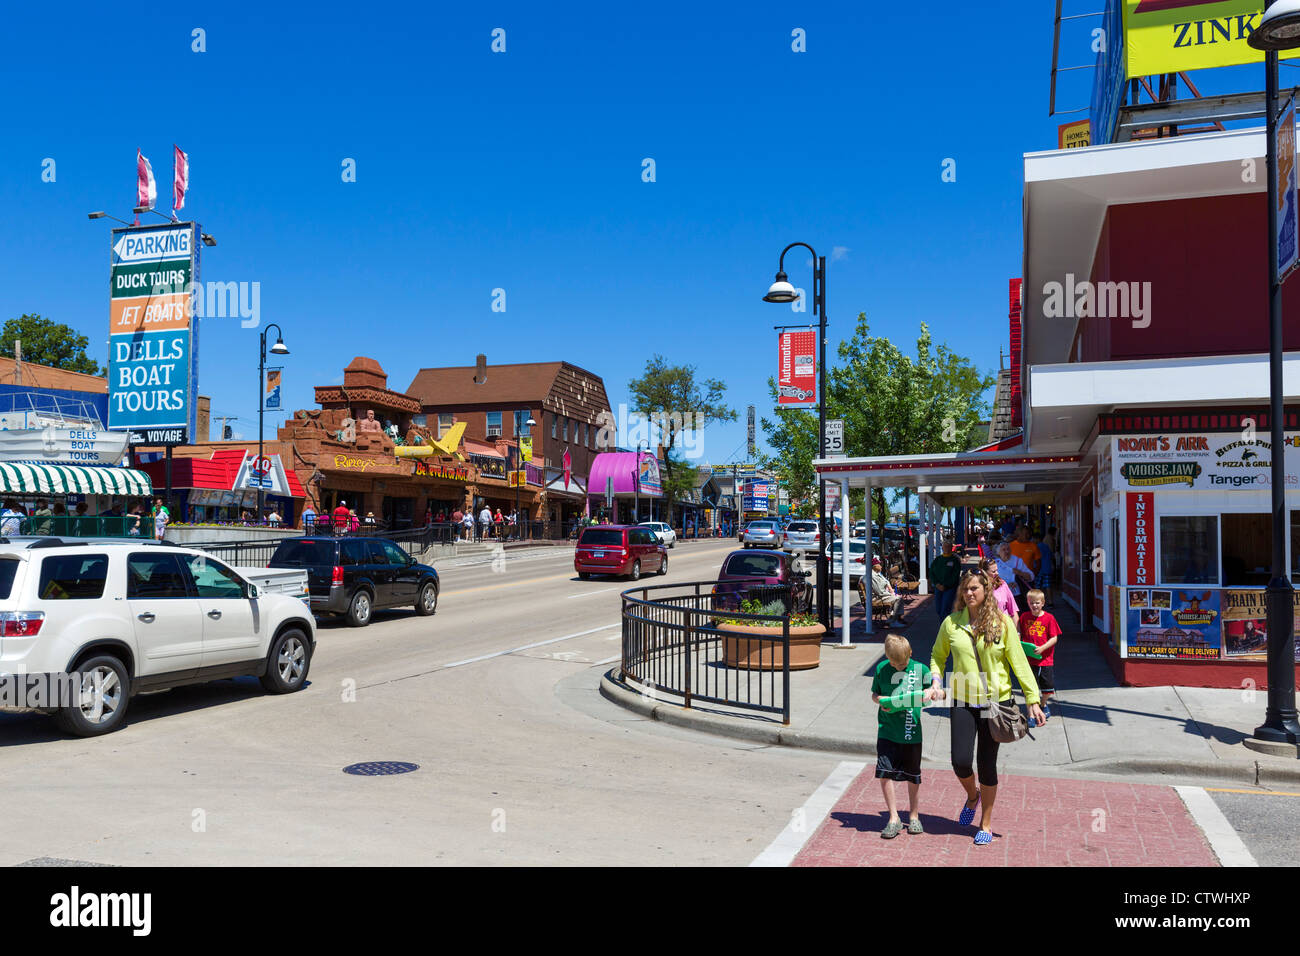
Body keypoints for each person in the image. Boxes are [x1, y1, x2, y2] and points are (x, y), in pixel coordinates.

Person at [930, 568, 1045, 846]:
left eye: (975, 589)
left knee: (986, 764)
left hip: (994, 702)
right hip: (961, 697)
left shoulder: (1002, 623)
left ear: (985, 592)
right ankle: (972, 796)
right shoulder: (951, 623)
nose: (969, 593)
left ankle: (986, 822)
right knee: (959, 761)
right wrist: (935, 680)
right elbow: (937, 655)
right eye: (965, 589)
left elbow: (1019, 664)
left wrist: (1033, 699)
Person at [871, 634, 943, 838]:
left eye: (902, 663)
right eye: (894, 663)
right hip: (887, 730)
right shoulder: (881, 669)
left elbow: (938, 691)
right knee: (884, 772)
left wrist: (932, 692)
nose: (899, 667)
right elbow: (874, 694)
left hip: (911, 731)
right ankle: (893, 818)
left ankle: (913, 815)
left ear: (910, 654)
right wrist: (880, 700)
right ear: (887, 658)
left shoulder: (921, 669)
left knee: (913, 775)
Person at [1018, 589, 1062, 726]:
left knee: (1047, 687)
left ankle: (1043, 704)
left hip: (1045, 660)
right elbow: (1019, 632)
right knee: (1029, 687)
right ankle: (1030, 713)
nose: (1034, 605)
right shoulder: (1024, 617)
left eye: (1037, 603)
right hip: (1029, 659)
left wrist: (1043, 648)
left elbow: (1054, 638)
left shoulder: (1049, 618)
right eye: (1031, 603)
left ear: (1043, 603)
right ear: (1028, 603)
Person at [994, 540, 1034, 614]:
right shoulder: (995, 563)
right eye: (1003, 550)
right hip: (1001, 597)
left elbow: (1031, 576)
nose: (1006, 552)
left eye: (1008, 549)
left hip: (1017, 596)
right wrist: (1005, 586)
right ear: (998, 553)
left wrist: (1019, 572)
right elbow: (989, 581)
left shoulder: (1017, 561)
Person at [864, 556, 906, 626]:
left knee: (899, 597)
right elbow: (880, 592)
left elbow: (886, 582)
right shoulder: (873, 576)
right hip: (877, 598)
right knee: (898, 599)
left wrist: (891, 591)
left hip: (881, 596)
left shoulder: (878, 574)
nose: (881, 566)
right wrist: (891, 594)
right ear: (875, 566)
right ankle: (893, 621)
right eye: (879, 565)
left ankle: (894, 618)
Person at [928, 540, 962, 621]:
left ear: (951, 548)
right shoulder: (937, 560)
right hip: (938, 588)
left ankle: (943, 629)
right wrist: (936, 584)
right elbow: (931, 573)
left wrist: (946, 585)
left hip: (950, 589)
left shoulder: (955, 560)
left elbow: (955, 575)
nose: (946, 548)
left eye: (948, 546)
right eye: (945, 546)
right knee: (938, 609)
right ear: (942, 548)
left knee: (945, 610)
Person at [979, 557, 1019, 621]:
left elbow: (1013, 610)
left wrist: (1017, 630)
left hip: (1004, 625)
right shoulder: (978, 588)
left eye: (997, 570)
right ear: (983, 572)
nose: (997, 573)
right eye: (993, 571)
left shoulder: (1002, 584)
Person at [1009, 525, 1041, 591]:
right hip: (1014, 578)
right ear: (1019, 534)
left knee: (1028, 599)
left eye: (1029, 534)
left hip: (1028, 578)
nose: (1028, 536)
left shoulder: (1033, 546)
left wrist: (1033, 574)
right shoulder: (1010, 545)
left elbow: (1039, 563)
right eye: (1025, 534)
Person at [1032, 530, 1055, 607]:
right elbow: (1051, 556)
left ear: (1037, 539)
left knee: (1038, 587)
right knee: (1048, 586)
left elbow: (1036, 559)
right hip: (1047, 569)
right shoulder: (1046, 546)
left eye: (1034, 539)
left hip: (1040, 570)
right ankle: (1050, 602)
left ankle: (1039, 602)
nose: (1033, 540)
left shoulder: (1037, 547)